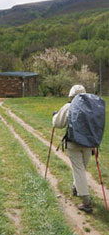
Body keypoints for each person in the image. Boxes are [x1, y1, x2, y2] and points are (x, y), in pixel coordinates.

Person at [52, 84, 93, 213]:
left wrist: (55, 115)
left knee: (79, 170)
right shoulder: (91, 107)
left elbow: (57, 123)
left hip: (74, 144)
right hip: (89, 144)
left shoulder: (69, 107)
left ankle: (86, 202)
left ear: (71, 95)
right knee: (81, 168)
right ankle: (76, 188)